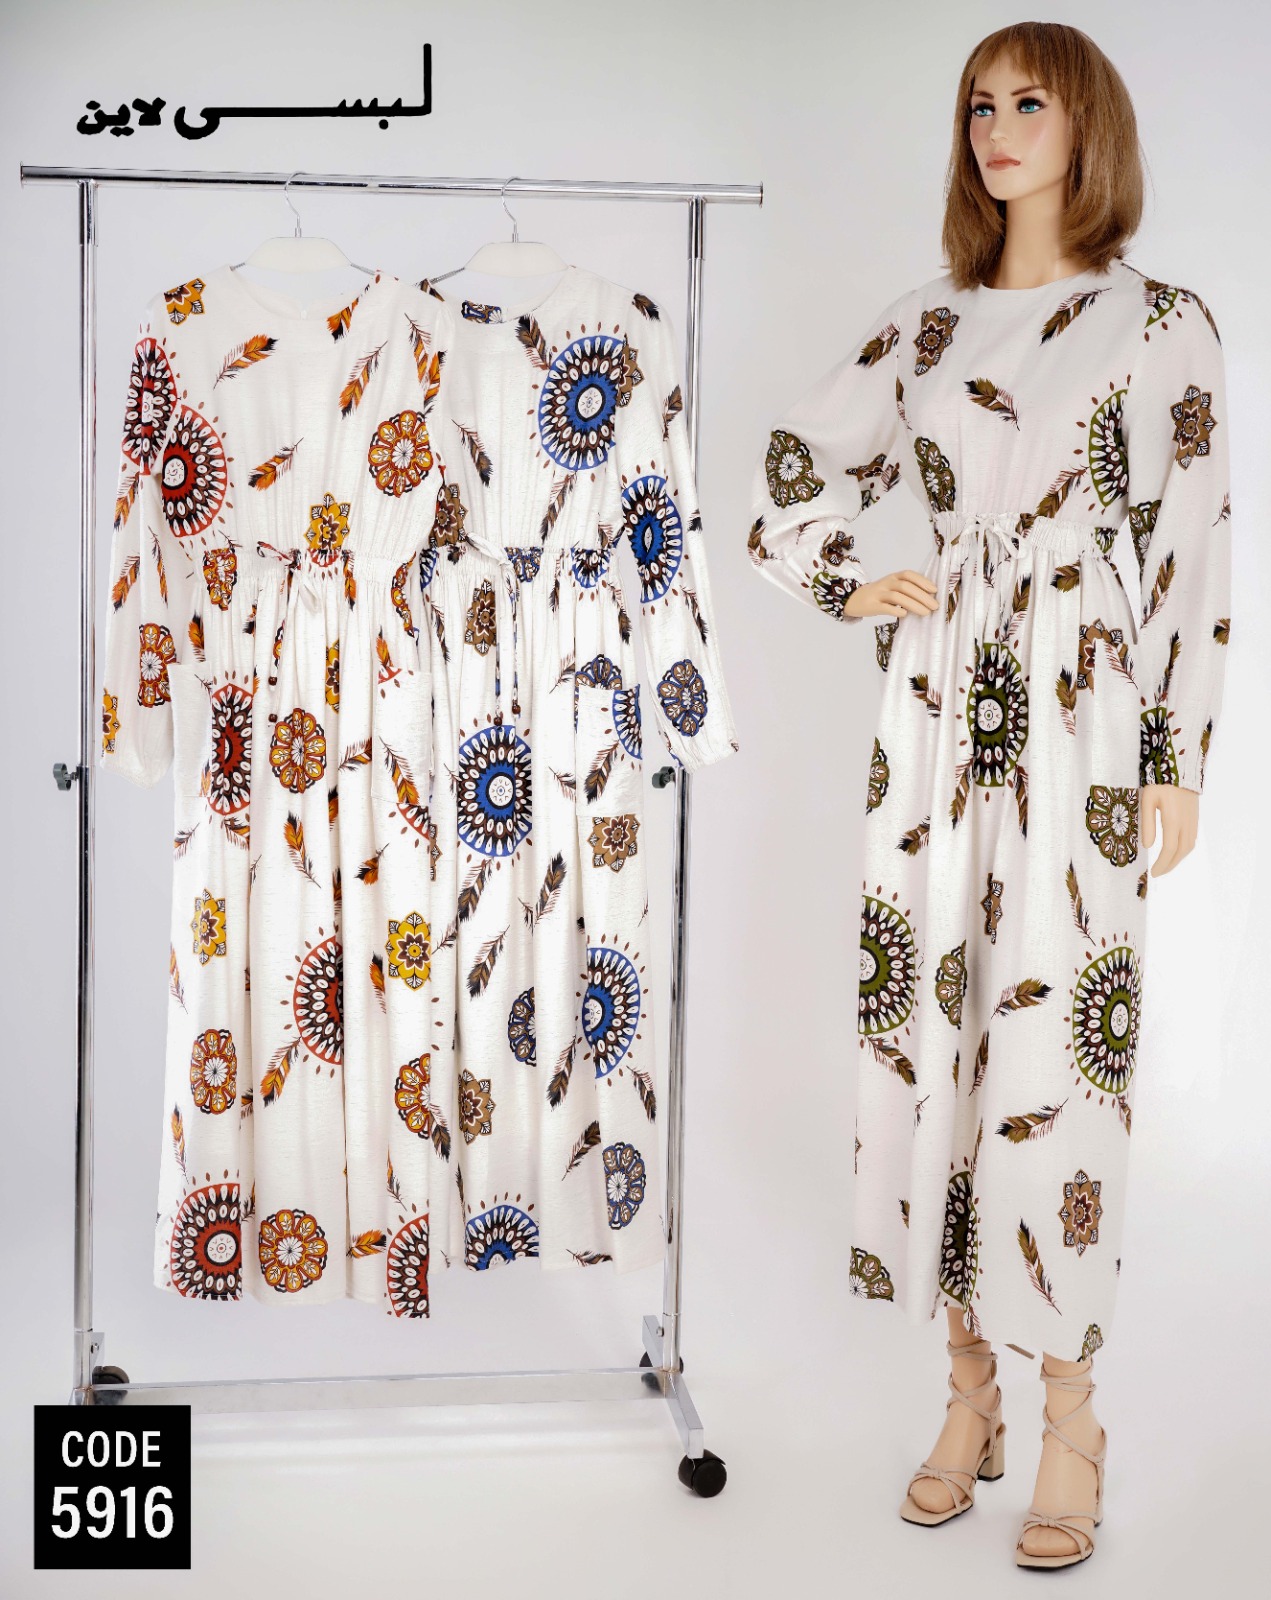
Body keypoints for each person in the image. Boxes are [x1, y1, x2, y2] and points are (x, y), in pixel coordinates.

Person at [747, 21, 1231, 1568]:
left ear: (1089, 128)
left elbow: (1192, 547)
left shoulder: (1161, 325)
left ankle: (1073, 1412)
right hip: (938, 709)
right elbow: (791, 468)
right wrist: (851, 578)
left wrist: (1176, 752)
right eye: (978, 105)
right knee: (931, 1035)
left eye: (1030, 101)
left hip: (1085, 712)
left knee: (1057, 1055)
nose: (998, 128)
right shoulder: (926, 327)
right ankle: (969, 1396)